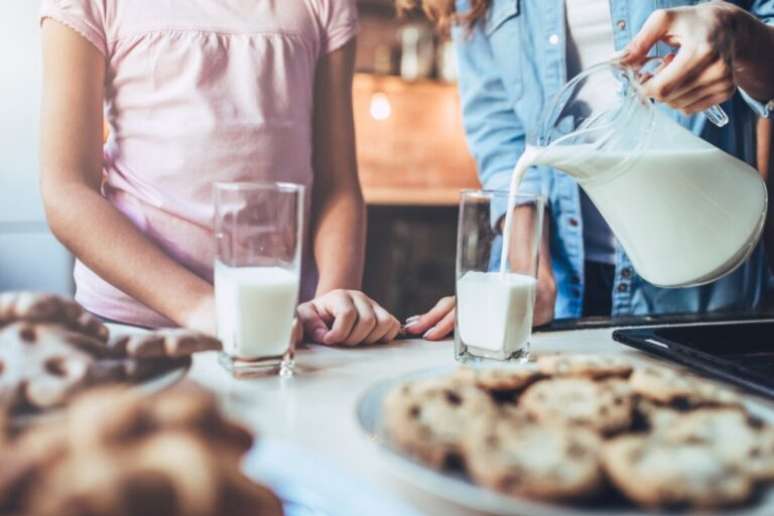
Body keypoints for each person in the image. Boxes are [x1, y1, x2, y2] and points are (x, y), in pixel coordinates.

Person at [400, 0, 774, 340]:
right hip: (564, 296)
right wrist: (531, 277)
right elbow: (502, 135)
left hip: (703, 282)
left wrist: (739, 35)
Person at [39, 0, 401, 346]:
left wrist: (332, 300)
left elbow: (336, 187)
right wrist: (202, 308)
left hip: (281, 324)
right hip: (130, 324)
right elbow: (67, 189)